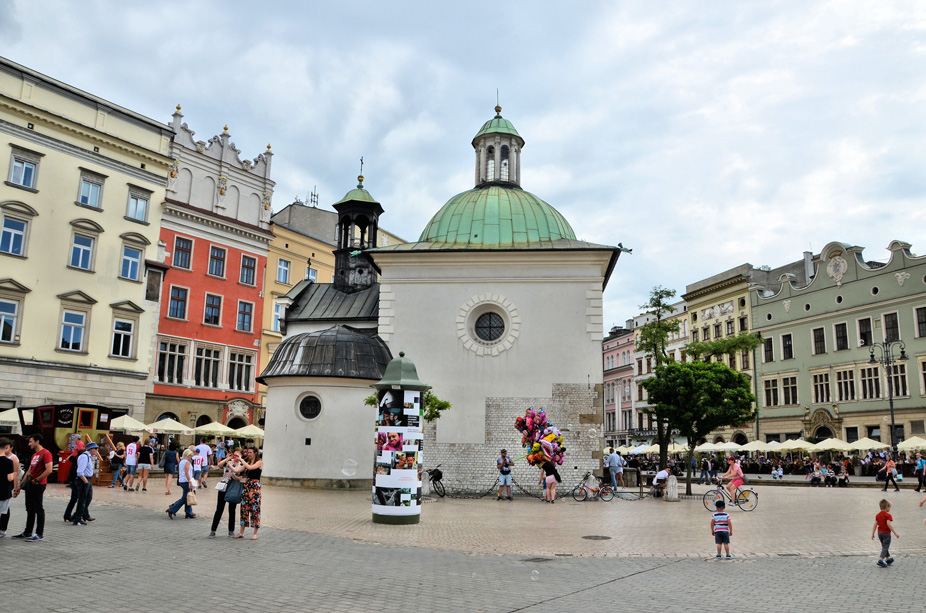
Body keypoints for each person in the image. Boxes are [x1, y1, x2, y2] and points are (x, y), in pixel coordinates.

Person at [11, 433, 53, 541]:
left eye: (31, 441)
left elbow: (49, 470)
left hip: (39, 484)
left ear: (37, 441)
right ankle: (28, 531)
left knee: (38, 508)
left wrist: (37, 480)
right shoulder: (34, 455)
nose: (29, 444)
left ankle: (39, 533)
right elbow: (29, 470)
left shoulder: (46, 453)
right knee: (29, 508)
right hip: (30, 484)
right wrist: (20, 485)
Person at [210, 450, 244, 538]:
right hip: (224, 486)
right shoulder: (228, 462)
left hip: (233, 488)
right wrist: (227, 459)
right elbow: (219, 465)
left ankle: (231, 530)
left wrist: (233, 475)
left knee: (232, 509)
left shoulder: (242, 465)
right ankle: (213, 530)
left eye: (237, 455)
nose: (235, 456)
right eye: (234, 455)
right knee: (219, 509)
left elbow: (240, 479)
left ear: (241, 456)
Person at [234, 446, 262, 540]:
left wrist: (241, 459)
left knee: (255, 509)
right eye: (248, 452)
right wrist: (228, 461)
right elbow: (237, 470)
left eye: (250, 452)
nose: (248, 454)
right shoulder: (247, 462)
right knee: (244, 508)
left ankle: (255, 533)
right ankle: (241, 532)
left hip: (255, 487)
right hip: (247, 486)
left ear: (255, 453)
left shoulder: (259, 462)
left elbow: (250, 468)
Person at [71, 442, 100, 525]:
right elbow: (80, 471)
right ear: (91, 449)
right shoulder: (84, 457)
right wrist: (86, 481)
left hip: (88, 479)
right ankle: (77, 519)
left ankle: (79, 515)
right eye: (96, 449)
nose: (96, 451)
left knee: (88, 498)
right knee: (82, 500)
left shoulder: (89, 457)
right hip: (83, 480)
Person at [166, 449, 197, 519]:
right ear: (188, 455)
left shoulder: (181, 462)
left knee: (187, 496)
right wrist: (190, 481)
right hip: (186, 481)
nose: (191, 457)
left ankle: (188, 512)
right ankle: (172, 509)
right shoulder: (187, 462)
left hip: (182, 480)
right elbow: (187, 473)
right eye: (191, 455)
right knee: (185, 498)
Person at [872, 499, 899, 567]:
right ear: (887, 506)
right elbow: (888, 524)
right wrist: (895, 533)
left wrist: (873, 534)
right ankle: (881, 559)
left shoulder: (877, 515)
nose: (890, 509)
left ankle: (888, 559)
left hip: (879, 533)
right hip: (886, 533)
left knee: (884, 546)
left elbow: (875, 524)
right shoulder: (888, 515)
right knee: (885, 546)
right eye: (889, 507)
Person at [0, 437, 18, 538]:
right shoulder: (8, 462)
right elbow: (10, 477)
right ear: (7, 447)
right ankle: (2, 531)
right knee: (4, 510)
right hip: (4, 490)